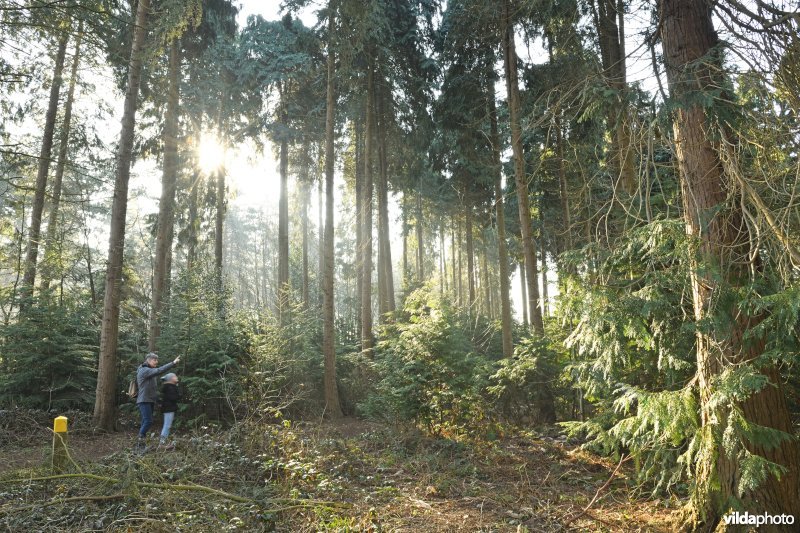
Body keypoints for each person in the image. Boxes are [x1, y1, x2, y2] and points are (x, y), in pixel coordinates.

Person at [136, 352, 180, 452]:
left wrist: (158, 401)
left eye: (157, 360)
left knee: (145, 422)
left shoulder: (149, 371)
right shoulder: (144, 370)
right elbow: (160, 370)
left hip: (149, 400)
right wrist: (173, 363)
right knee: (148, 421)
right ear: (149, 360)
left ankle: (141, 446)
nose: (157, 362)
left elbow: (152, 389)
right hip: (144, 400)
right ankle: (139, 446)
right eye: (155, 360)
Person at [159, 372, 181, 447]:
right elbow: (173, 398)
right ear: (171, 378)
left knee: (168, 425)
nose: (177, 377)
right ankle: (162, 443)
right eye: (175, 376)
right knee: (167, 425)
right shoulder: (170, 387)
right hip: (169, 408)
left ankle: (164, 442)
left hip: (168, 408)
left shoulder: (170, 386)